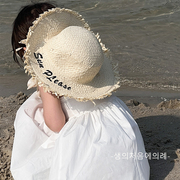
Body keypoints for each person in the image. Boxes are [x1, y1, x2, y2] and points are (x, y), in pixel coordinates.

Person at [10, 2, 150, 180]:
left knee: (29, 112)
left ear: (26, 51)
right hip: (121, 136)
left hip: (88, 142)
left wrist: (44, 87)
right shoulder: (82, 60)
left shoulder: (47, 80)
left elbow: (56, 123)